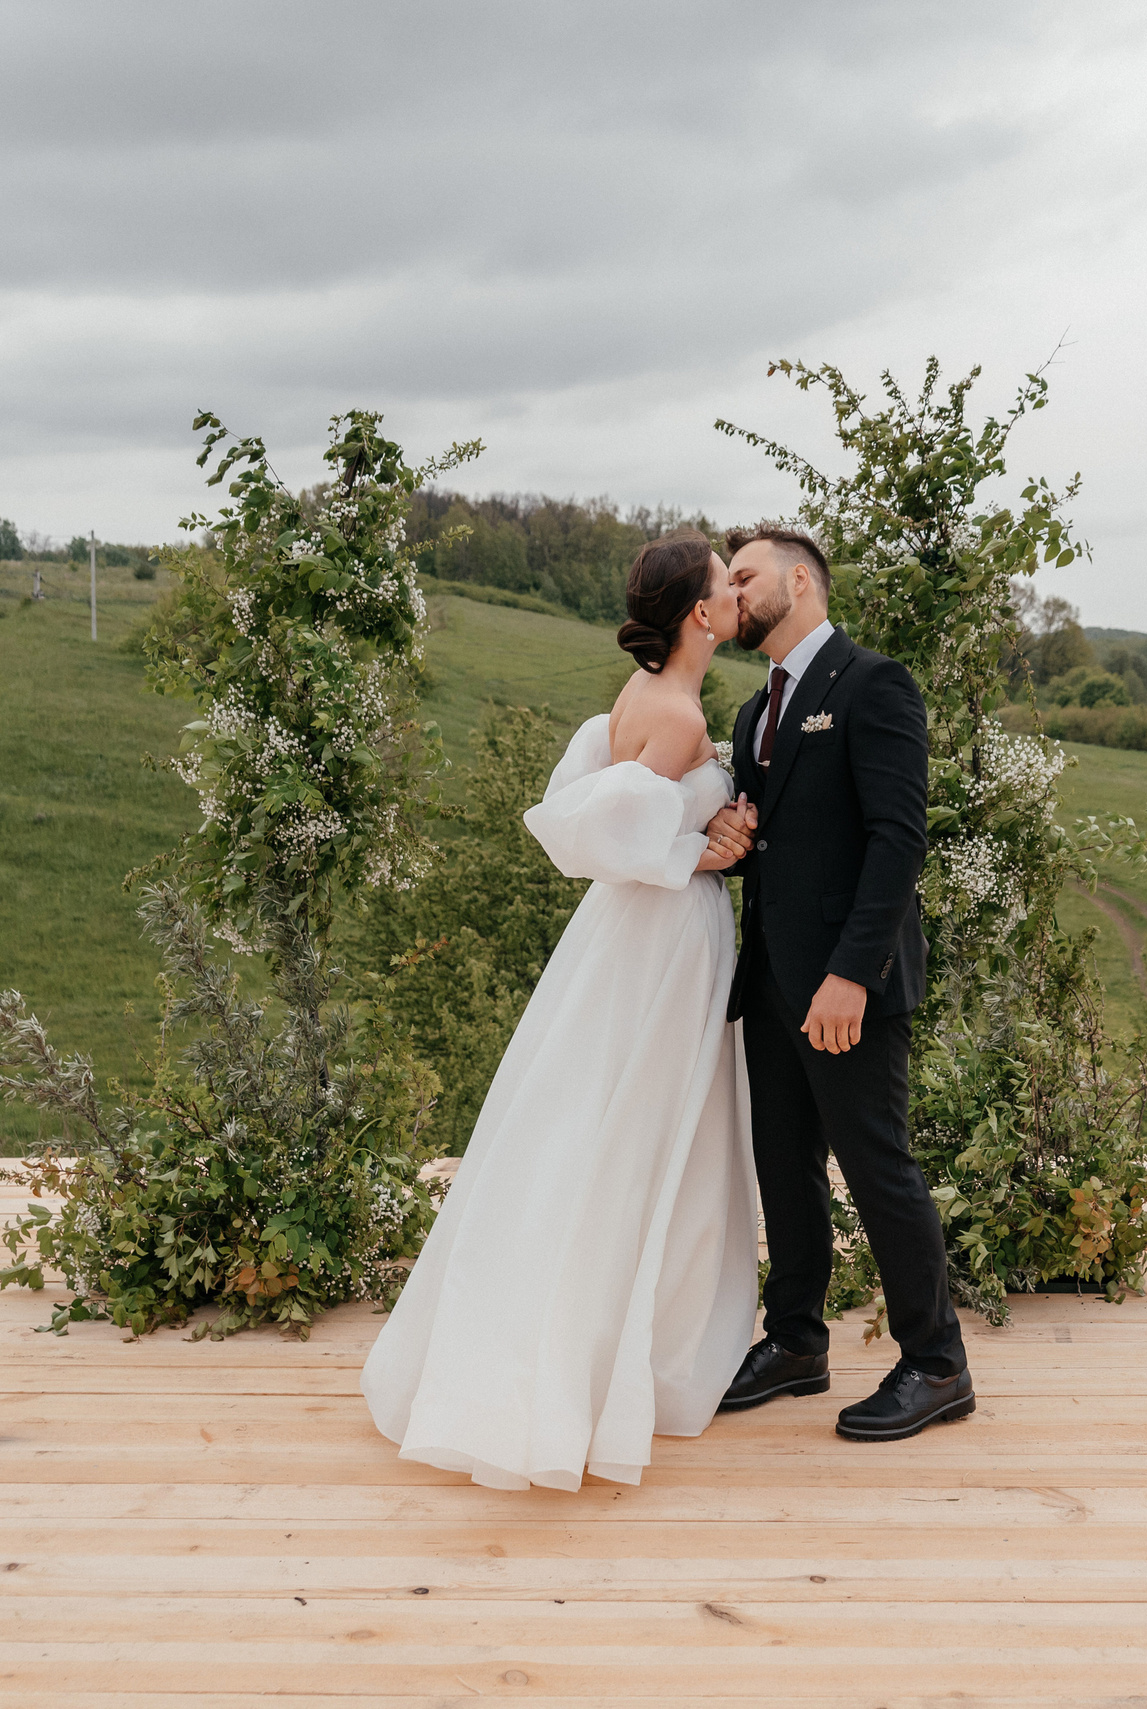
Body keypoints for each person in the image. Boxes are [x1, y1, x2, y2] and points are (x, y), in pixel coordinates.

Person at [360, 531, 763, 1492]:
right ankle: (606, 1353)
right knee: (637, 1130)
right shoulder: (672, 716)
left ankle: (613, 1328)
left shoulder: (642, 699)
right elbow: (610, 829)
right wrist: (700, 850)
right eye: (725, 587)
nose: (738, 599)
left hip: (634, 935)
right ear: (699, 615)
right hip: (661, 939)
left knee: (601, 1120)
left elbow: (608, 807)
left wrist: (701, 829)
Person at [707, 523, 974, 1442]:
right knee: (784, 1167)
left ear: (800, 583)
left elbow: (898, 838)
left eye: (743, 577)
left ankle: (938, 1361)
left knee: (877, 1166)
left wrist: (852, 974)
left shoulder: (875, 685)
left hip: (846, 986)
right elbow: (776, 843)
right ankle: (796, 1343)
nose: (732, 594)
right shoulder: (753, 714)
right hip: (771, 981)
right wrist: (731, 844)